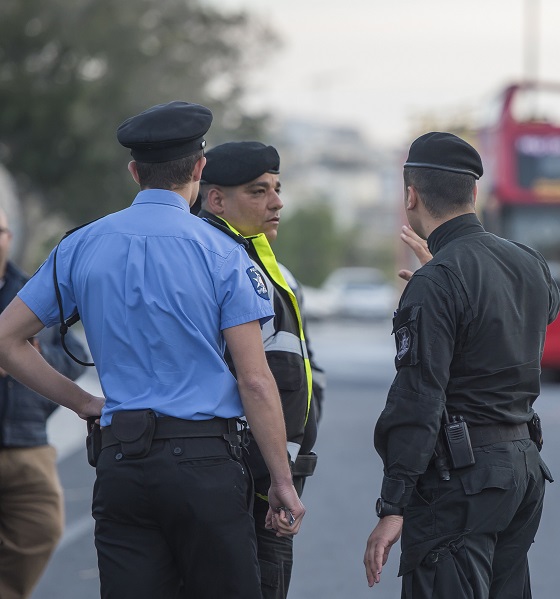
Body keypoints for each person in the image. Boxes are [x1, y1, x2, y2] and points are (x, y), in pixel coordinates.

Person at [0, 101, 304, 599]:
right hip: (207, 466)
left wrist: (84, 403)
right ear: (200, 169)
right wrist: (281, 481)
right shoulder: (223, 254)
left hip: (124, 464)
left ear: (134, 171)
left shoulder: (81, 245)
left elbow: (7, 340)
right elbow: (254, 379)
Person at [363, 132, 560, 598]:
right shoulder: (528, 262)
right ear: (474, 193)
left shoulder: (438, 281)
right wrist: (441, 278)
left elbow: (419, 398)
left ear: (410, 195)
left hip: (462, 483)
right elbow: (535, 311)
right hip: (522, 472)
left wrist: (394, 506)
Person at [195, 140, 324, 598]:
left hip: (274, 473)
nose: (277, 202)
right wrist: (274, 479)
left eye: (277, 188)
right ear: (216, 200)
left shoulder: (274, 269)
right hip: (245, 478)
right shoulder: (208, 263)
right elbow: (251, 379)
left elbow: (300, 369)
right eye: (258, 191)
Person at [0, 207, 87, 599]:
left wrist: (29, 364)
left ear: (10, 237)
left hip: (28, 443)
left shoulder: (33, 291)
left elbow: (74, 355)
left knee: (40, 531)